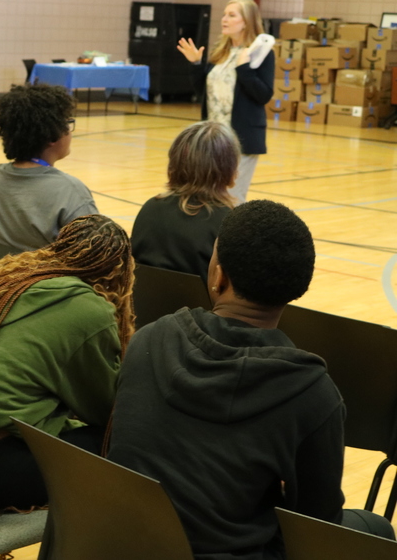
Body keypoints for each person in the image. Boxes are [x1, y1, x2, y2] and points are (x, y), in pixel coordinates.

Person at [108, 200, 394, 558]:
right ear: (297, 287)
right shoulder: (314, 396)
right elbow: (316, 526)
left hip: (123, 544)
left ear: (217, 275)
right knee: (378, 528)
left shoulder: (149, 338)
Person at [0, 215, 134, 510]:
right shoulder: (90, 310)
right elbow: (105, 410)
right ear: (118, 272)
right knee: (124, 441)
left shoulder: (4, 279)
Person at [0, 84, 97, 252]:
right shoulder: (70, 190)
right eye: (68, 123)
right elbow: (98, 255)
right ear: (53, 134)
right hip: (45, 277)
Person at [178, 0, 273, 203]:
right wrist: (195, 64)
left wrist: (245, 69)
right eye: (224, 14)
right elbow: (204, 92)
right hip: (214, 138)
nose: (224, 19)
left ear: (246, 21)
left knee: (232, 197)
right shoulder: (220, 52)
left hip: (242, 138)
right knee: (208, 194)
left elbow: (264, 95)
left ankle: (233, 236)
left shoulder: (260, 53)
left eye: (232, 15)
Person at [131, 121, 239, 277]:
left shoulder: (150, 208)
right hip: (200, 302)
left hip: (143, 300)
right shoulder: (227, 224)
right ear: (229, 168)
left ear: (174, 163)